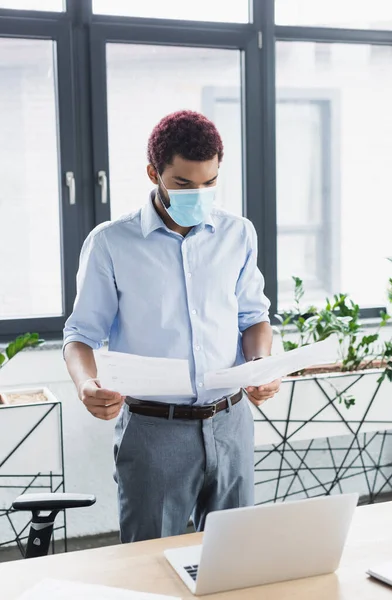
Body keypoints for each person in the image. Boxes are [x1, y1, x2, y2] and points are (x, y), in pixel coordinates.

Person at [63, 110, 281, 543]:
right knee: (149, 565)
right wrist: (87, 384)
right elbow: (80, 336)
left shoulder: (239, 234)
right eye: (184, 183)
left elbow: (253, 316)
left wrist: (260, 365)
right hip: (153, 431)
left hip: (231, 421)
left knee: (235, 559)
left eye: (210, 182)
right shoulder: (111, 243)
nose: (198, 193)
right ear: (154, 173)